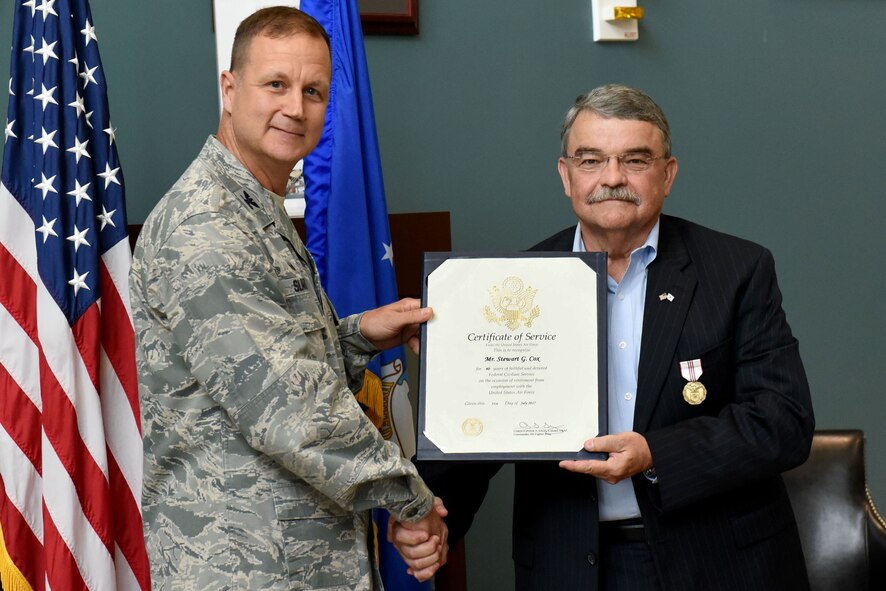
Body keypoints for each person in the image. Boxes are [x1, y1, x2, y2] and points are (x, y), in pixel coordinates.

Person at [393, 84, 815, 590]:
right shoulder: (508, 286)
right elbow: (478, 429)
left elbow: (783, 420)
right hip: (566, 564)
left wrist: (655, 453)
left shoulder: (737, 270)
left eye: (635, 160)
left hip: (716, 562)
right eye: (590, 160)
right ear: (565, 175)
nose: (612, 178)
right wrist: (434, 512)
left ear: (667, 174)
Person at [130, 7, 446, 589]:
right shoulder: (207, 225)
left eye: (314, 90)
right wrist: (410, 499)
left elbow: (267, 362)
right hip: (243, 566)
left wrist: (354, 336)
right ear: (229, 89)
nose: (295, 108)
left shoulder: (255, 207)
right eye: (275, 84)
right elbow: (287, 410)